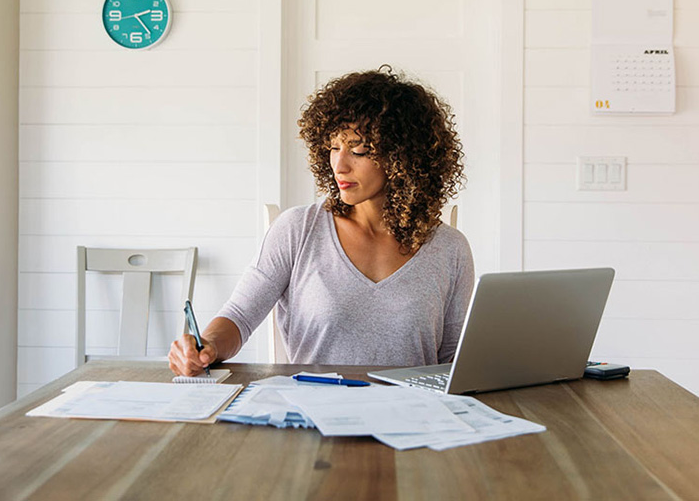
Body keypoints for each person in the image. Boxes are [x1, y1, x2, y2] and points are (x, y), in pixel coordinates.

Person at [168, 66, 474, 376]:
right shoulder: (297, 229)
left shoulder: (449, 248)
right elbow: (239, 316)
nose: (339, 165)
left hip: (413, 416)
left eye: (359, 150)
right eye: (333, 148)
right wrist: (206, 346)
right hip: (314, 413)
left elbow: (454, 361)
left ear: (403, 157)